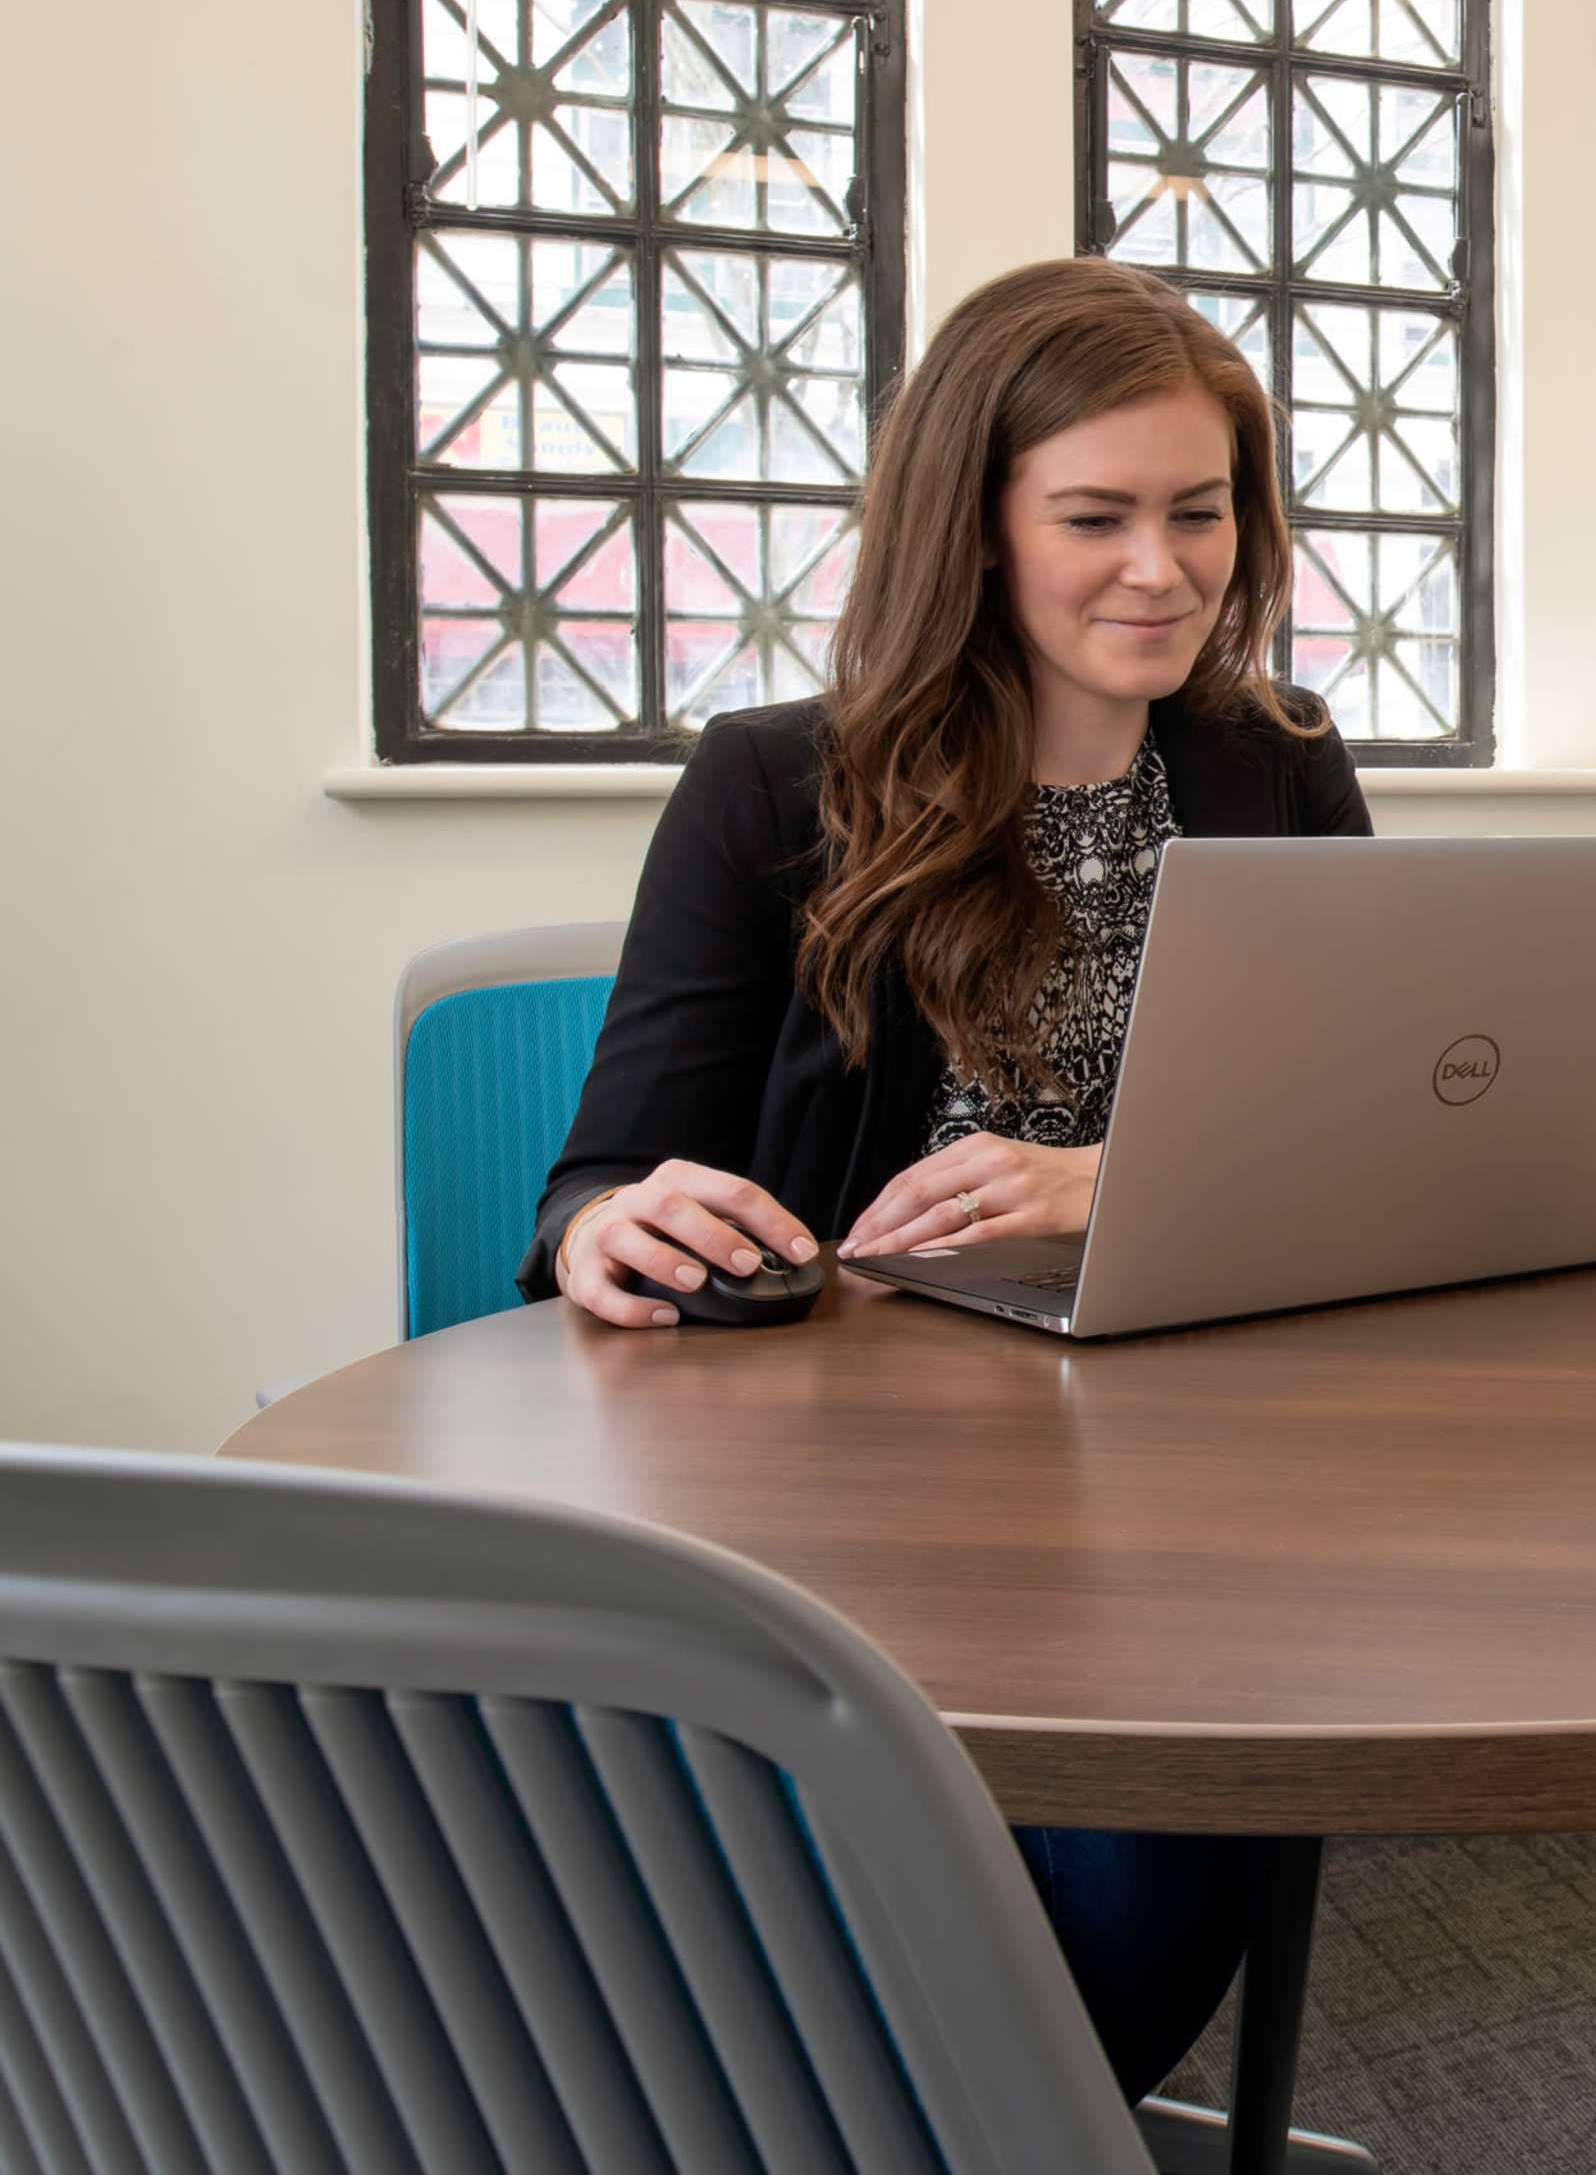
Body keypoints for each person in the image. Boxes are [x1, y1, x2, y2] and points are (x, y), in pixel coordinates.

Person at [528, 256, 1367, 2101]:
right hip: (855, 1491)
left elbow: (1347, 1146)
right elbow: (594, 1177)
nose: (1163, 568)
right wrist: (609, 1225)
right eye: (1096, 517)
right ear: (976, 529)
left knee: (1152, 1863)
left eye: (1201, 513)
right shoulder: (773, 787)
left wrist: (1103, 1177)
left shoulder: (1277, 770)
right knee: (1038, 1912)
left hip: (1187, 1489)